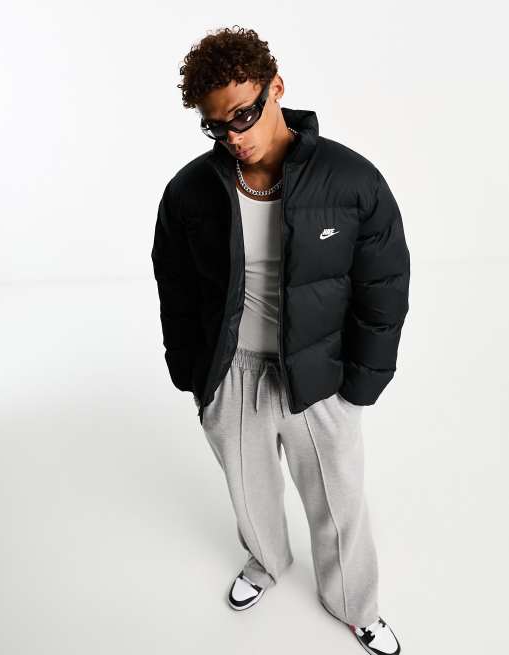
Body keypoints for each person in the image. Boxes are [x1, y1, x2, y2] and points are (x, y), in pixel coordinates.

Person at [151, 25, 409, 655]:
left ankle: (354, 604)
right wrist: (193, 374)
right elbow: (175, 285)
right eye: (216, 126)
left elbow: (384, 285)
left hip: (318, 372)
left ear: (278, 88)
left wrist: (361, 384)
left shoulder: (350, 181)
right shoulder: (189, 192)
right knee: (248, 488)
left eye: (244, 114)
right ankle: (267, 562)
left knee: (339, 500)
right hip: (231, 371)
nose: (234, 136)